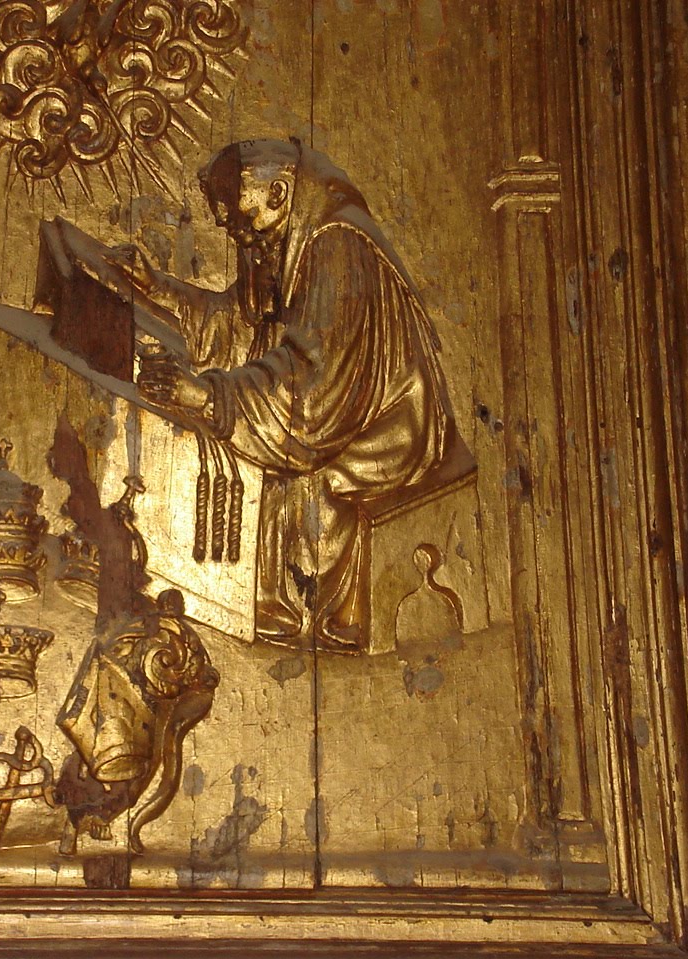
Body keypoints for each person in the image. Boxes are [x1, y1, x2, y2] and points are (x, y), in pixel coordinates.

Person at [131, 138, 457, 653]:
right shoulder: (283, 237)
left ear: (279, 193)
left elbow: (313, 387)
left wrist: (210, 397)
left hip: (384, 424)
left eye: (242, 220)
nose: (238, 235)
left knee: (301, 479)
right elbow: (242, 321)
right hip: (334, 408)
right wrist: (159, 289)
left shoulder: (336, 245)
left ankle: (320, 619)